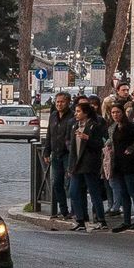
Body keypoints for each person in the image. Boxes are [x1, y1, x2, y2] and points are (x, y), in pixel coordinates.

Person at [109, 101, 134, 232]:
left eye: (118, 112)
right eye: (113, 112)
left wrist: (133, 148)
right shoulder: (113, 128)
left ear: (123, 113)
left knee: (133, 192)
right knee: (123, 193)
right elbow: (111, 141)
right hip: (118, 163)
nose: (115, 115)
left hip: (131, 163)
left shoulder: (132, 127)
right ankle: (126, 221)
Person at [70, 96, 108, 232]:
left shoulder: (94, 126)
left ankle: (101, 219)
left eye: (78, 111)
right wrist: (71, 166)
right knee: (74, 192)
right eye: (76, 111)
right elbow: (73, 149)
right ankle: (80, 219)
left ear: (85, 113)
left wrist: (88, 139)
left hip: (89, 164)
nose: (76, 114)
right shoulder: (74, 126)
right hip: (77, 164)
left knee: (94, 192)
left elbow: (100, 144)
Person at [42, 92, 75, 221]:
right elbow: (49, 134)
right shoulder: (53, 116)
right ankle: (63, 210)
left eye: (62, 102)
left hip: (68, 154)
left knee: (71, 183)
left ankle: (75, 210)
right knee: (57, 183)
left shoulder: (73, 116)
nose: (59, 104)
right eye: (57, 102)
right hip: (55, 154)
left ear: (68, 102)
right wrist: (46, 151)